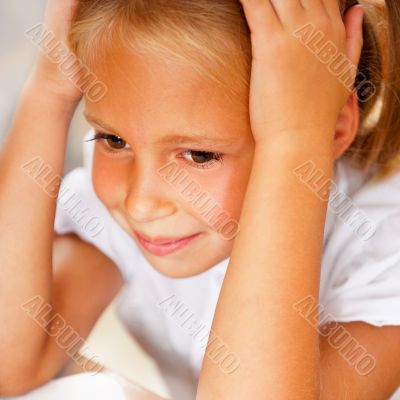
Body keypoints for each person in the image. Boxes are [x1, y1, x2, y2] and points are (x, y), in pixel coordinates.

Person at [1, 0, 399, 399]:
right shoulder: (126, 201)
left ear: (329, 129)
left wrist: (295, 145)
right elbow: (9, 368)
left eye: (200, 155)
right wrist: (50, 88)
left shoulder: (384, 248)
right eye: (113, 139)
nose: (141, 204)